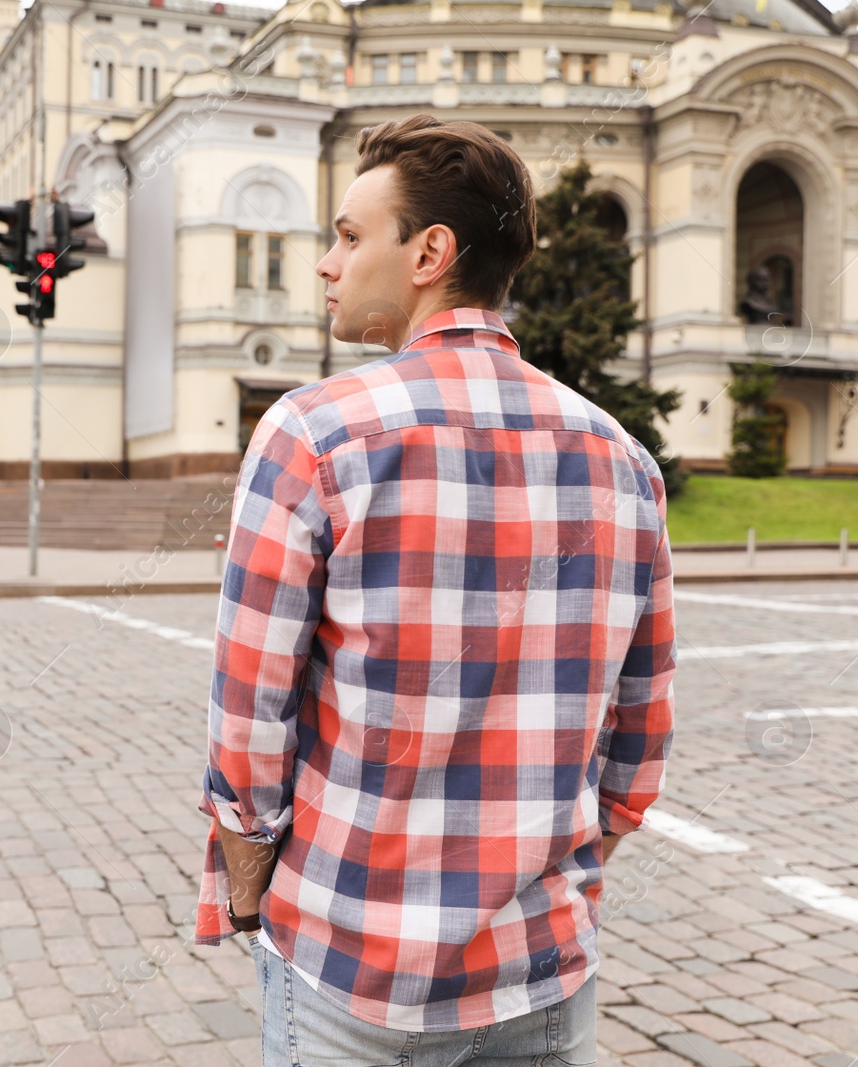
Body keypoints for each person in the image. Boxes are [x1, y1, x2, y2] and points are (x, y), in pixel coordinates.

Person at [195, 114, 676, 1066]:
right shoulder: (622, 460)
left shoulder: (313, 434)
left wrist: (250, 898)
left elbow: (249, 727)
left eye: (347, 235)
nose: (327, 264)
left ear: (431, 252)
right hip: (543, 974)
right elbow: (636, 750)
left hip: (354, 971)